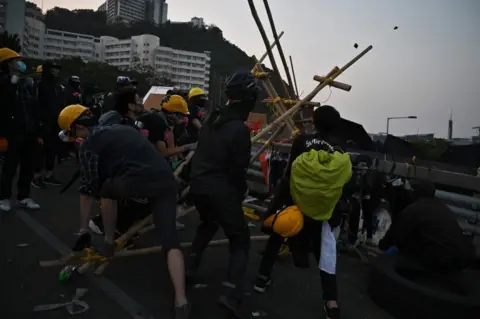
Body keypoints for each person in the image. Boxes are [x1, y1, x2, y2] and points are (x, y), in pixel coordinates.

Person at [58, 104, 191, 318]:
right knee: (170, 241)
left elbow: (87, 189)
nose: (76, 140)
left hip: (137, 183)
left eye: (74, 134)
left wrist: (83, 229)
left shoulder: (89, 145)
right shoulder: (126, 130)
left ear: (80, 128)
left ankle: (109, 242)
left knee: (106, 190)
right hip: (166, 181)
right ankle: (181, 299)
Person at [254, 106, 352, 319]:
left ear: (314, 122)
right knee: (325, 251)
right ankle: (331, 302)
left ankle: (262, 278)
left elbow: (290, 172)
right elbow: (342, 182)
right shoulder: (340, 149)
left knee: (278, 235)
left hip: (294, 202)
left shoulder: (301, 141)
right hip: (321, 209)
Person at [186, 71, 259, 313]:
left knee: (207, 223)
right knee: (240, 239)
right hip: (220, 190)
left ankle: (189, 266)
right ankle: (231, 292)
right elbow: (237, 171)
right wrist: (240, 193)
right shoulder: (239, 129)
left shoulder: (211, 119)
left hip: (198, 185)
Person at [379, 179, 472, 276]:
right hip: (460, 259)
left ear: (415, 193)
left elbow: (395, 233)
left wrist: (382, 246)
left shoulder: (415, 209)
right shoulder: (441, 206)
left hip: (440, 260)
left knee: (398, 259)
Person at [0, 48, 41, 211]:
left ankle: (24, 196)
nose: (19, 63)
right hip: (12, 130)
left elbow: (33, 106)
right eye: (15, 61)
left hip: (28, 129)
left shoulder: (26, 83)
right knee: (10, 166)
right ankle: (3, 197)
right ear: (7, 64)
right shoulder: (3, 82)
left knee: (28, 165)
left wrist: (37, 129)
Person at [32, 61, 64, 188]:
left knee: (52, 149)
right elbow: (35, 104)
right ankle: (36, 177)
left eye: (57, 68)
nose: (56, 71)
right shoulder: (40, 85)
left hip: (54, 122)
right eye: (53, 68)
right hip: (42, 122)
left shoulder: (56, 85)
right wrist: (38, 122)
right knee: (40, 150)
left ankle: (48, 175)